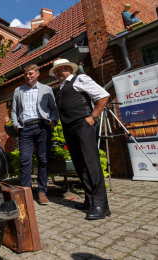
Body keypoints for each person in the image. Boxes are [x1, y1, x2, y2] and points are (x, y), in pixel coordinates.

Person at [49, 59, 111, 220]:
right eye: (55, 72)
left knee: (91, 164)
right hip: (69, 128)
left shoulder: (80, 79)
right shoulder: (60, 88)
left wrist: (92, 117)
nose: (57, 73)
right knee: (80, 164)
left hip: (83, 124)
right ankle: (89, 200)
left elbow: (103, 95)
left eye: (60, 70)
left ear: (69, 69)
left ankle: (101, 206)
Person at [11, 64, 58, 205]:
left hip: (42, 127)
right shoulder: (18, 90)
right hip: (25, 129)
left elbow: (53, 108)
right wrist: (16, 125)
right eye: (26, 74)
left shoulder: (46, 89)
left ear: (38, 73)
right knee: (25, 160)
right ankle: (27, 192)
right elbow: (14, 111)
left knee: (43, 160)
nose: (28, 76)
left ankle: (42, 192)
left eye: (31, 73)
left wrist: (53, 122)